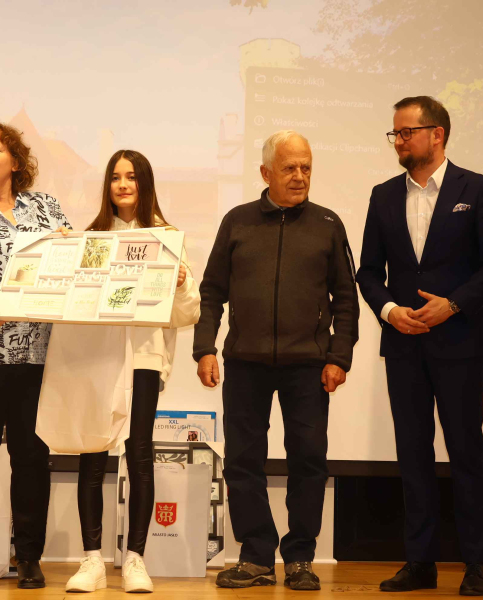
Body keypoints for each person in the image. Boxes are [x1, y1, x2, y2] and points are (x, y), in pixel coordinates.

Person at [357, 97, 483, 595]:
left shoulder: (476, 188)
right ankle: (419, 563)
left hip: (460, 343)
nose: (398, 141)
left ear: (437, 134)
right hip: (404, 344)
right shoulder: (383, 195)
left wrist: (455, 304)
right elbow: (368, 272)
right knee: (413, 455)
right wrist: (389, 311)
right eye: (395, 134)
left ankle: (475, 565)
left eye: (407, 132)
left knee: (466, 452)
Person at [193, 130, 359, 590]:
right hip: (244, 362)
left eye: (306, 167)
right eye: (289, 168)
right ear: (266, 172)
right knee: (242, 461)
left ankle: (301, 556)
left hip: (309, 365)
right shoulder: (237, 221)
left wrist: (339, 356)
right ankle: (256, 556)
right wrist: (205, 347)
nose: (300, 176)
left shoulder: (327, 224)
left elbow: (346, 298)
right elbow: (211, 292)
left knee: (309, 459)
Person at [62, 150, 199, 593]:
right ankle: (91, 560)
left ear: (145, 183)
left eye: (132, 177)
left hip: (143, 359)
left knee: (139, 452)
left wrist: (181, 285)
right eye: (116, 177)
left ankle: (135, 559)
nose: (123, 184)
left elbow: (188, 314)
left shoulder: (167, 239)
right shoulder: (91, 238)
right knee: (92, 452)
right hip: (98, 359)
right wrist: (62, 256)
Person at [0, 123, 70, 589]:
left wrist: (69, 246)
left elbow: (78, 265)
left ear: (15, 161)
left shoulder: (44, 207)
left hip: (36, 356)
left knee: (29, 458)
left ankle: (28, 556)